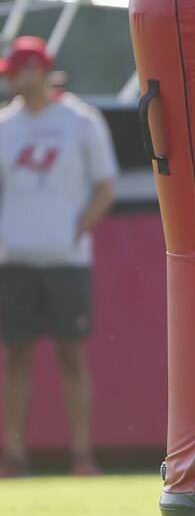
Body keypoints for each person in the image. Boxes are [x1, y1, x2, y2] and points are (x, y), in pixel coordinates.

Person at [0, 36, 118, 477]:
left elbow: (105, 186)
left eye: (19, 70)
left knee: (72, 357)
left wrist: (74, 232)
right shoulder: (5, 126)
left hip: (67, 262)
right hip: (14, 260)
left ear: (41, 72)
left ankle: (82, 455)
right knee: (16, 357)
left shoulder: (80, 122)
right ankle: (12, 456)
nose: (13, 79)